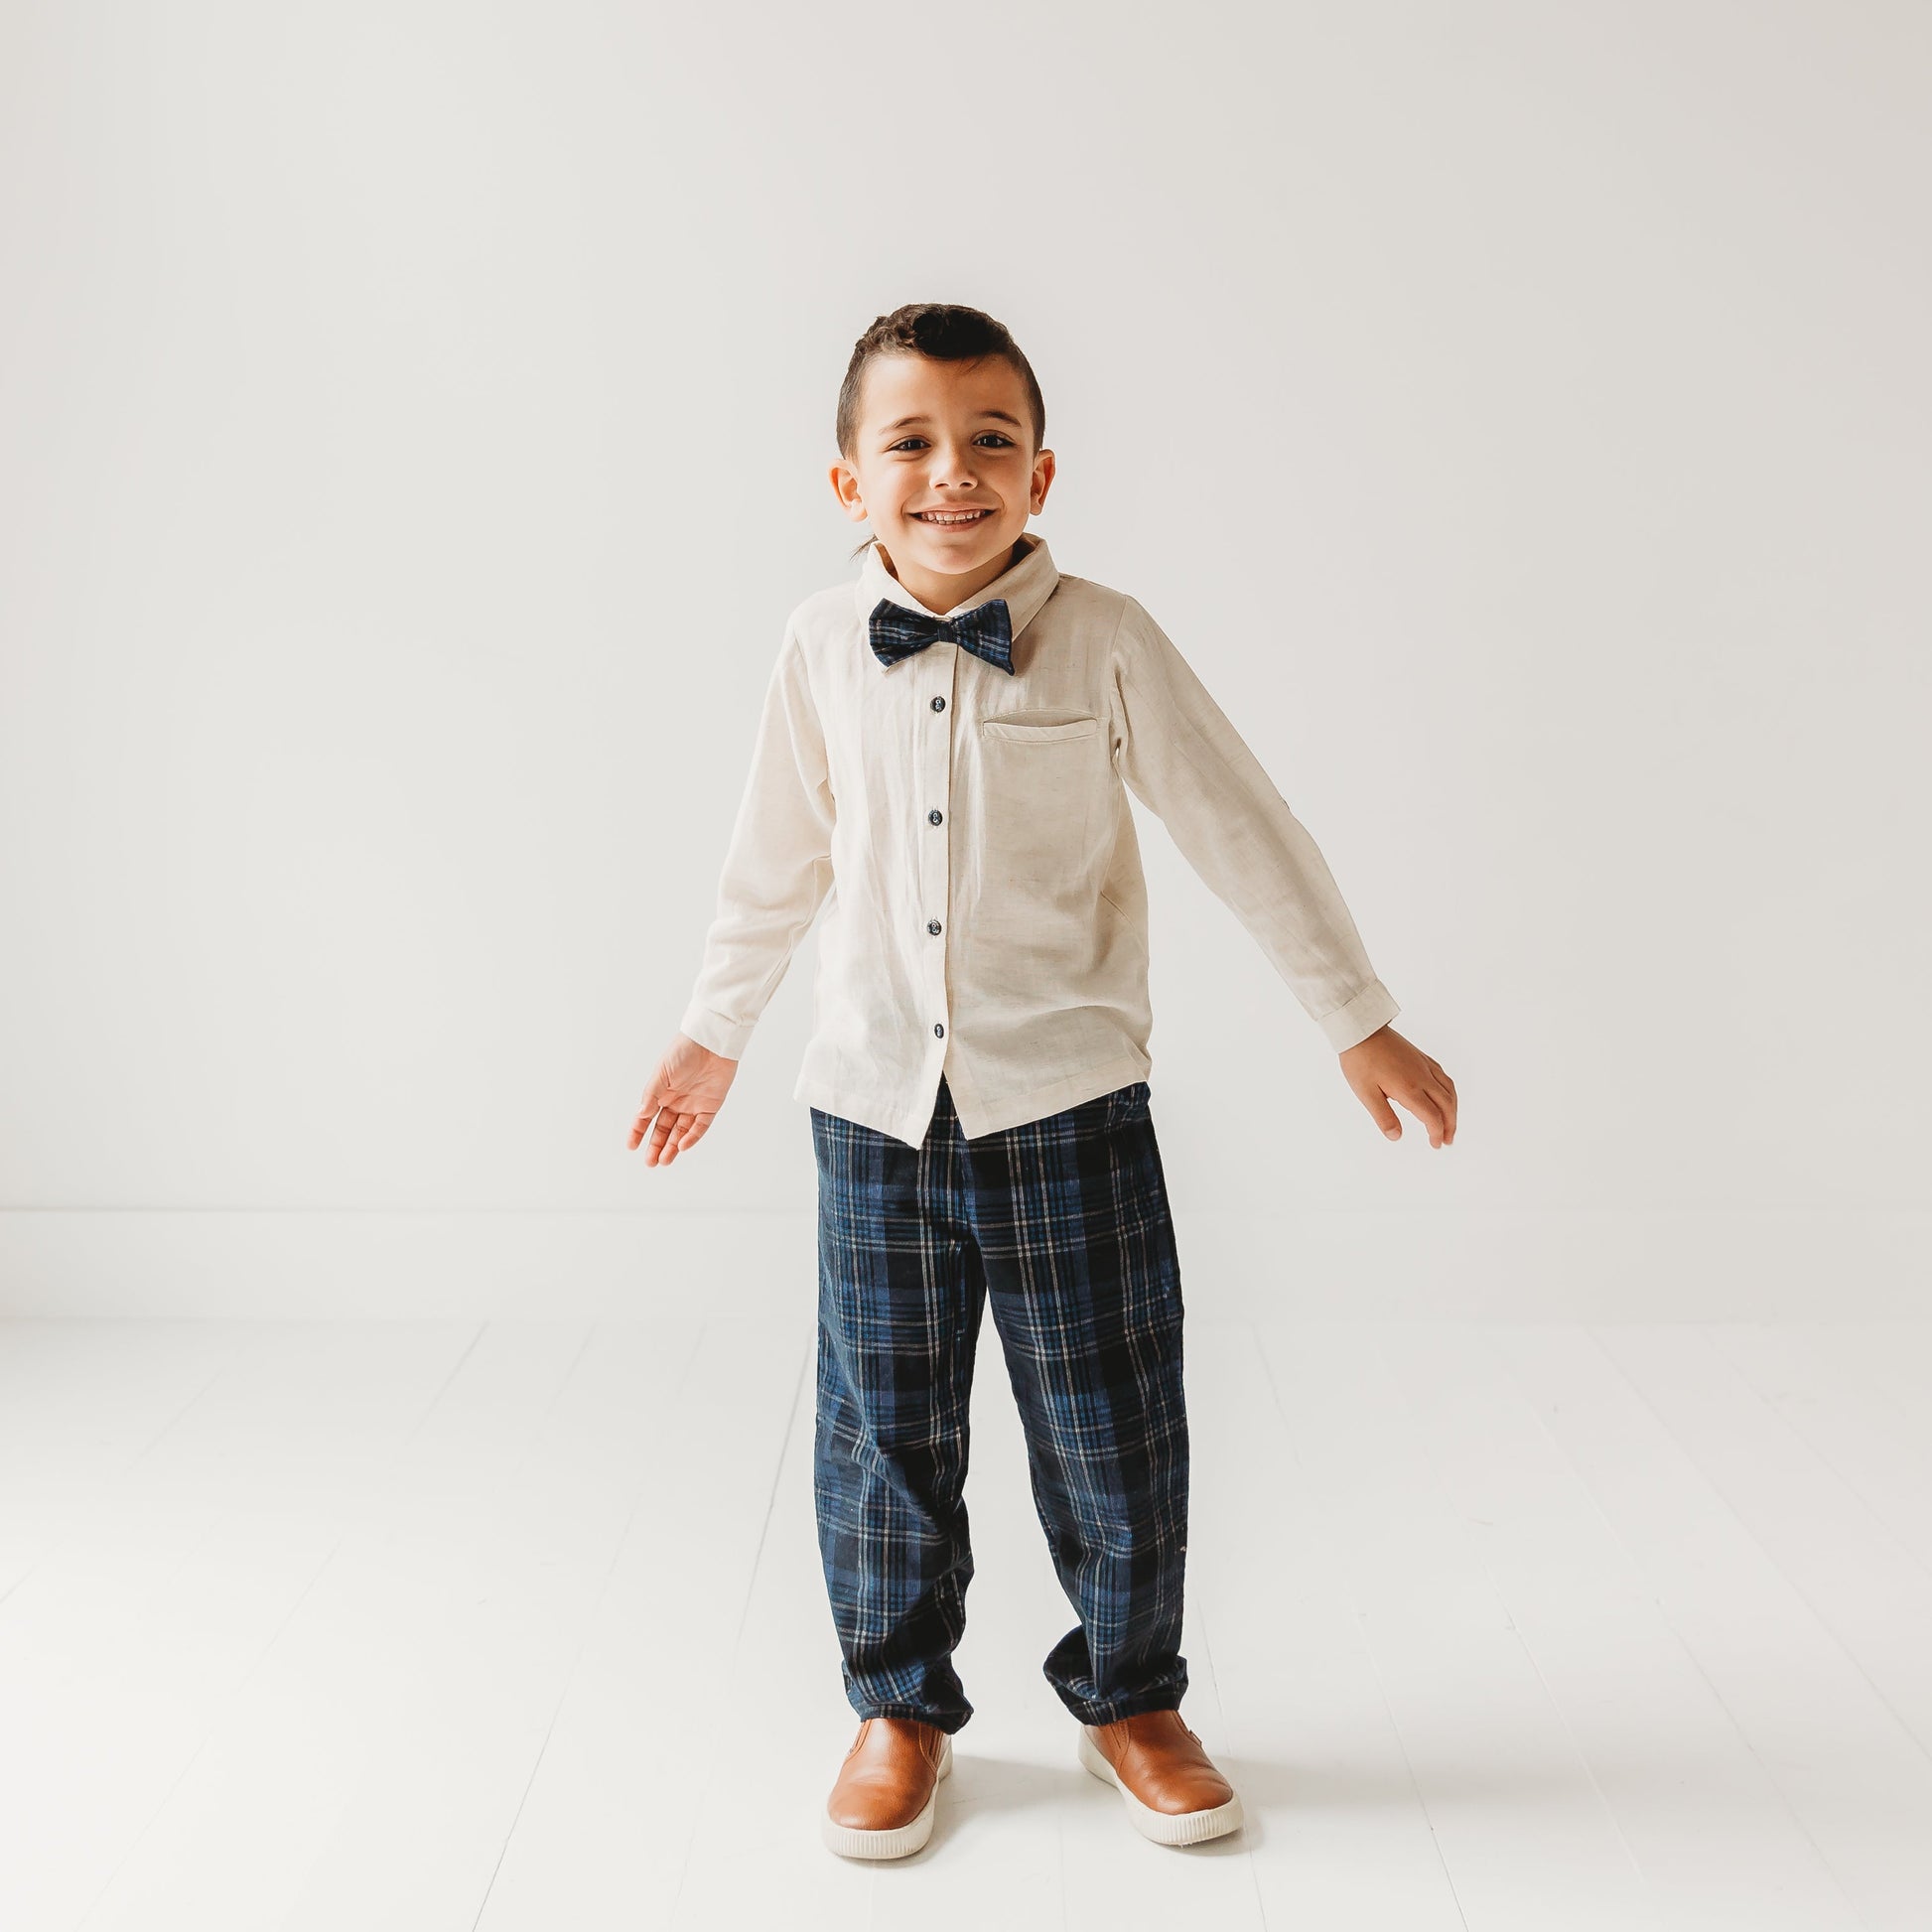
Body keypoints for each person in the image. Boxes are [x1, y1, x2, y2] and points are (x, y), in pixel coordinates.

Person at [627, 303, 1458, 1860]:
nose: (953, 471)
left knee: (1112, 1420)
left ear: (1041, 471)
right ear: (848, 482)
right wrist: (710, 1028)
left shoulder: (1107, 637)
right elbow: (772, 864)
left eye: (990, 439)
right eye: (912, 442)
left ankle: (1130, 1697)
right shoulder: (819, 646)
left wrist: (1353, 1015)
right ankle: (899, 1707)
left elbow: (1240, 826)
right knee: (882, 1430)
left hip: (1067, 1105)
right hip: (872, 1109)